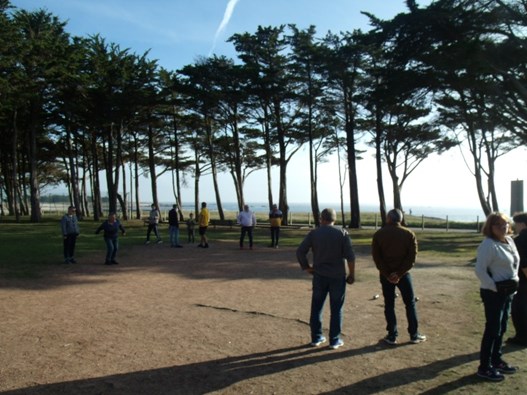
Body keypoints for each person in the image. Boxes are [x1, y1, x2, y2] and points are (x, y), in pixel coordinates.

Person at [296, 208, 356, 350]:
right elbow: (350, 257)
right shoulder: (342, 233)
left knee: (316, 307)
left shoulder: (314, 233)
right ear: (334, 219)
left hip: (319, 275)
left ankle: (316, 337)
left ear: (321, 218)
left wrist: (306, 267)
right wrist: (352, 274)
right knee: (336, 309)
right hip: (337, 276)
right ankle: (334, 340)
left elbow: (300, 251)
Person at [475, 212, 520, 381]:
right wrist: (495, 287)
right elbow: (480, 270)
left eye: (506, 224)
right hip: (493, 294)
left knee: (501, 328)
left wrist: (512, 284)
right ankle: (484, 367)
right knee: (492, 329)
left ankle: (496, 359)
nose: (503, 227)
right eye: (498, 224)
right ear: (490, 227)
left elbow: (514, 264)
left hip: (508, 291)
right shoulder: (488, 245)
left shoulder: (509, 241)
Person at [371, 208, 426, 346]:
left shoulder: (379, 234)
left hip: (386, 275)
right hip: (404, 275)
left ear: (388, 219)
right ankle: (414, 334)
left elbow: (377, 258)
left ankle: (392, 334)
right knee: (410, 304)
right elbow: (411, 258)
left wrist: (388, 273)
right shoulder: (409, 234)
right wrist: (399, 273)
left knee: (389, 304)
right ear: (400, 219)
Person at [509, 212, 527, 346]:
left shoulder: (520, 240)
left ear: (521, 224)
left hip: (523, 280)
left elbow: (524, 263)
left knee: (519, 309)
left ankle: (522, 337)